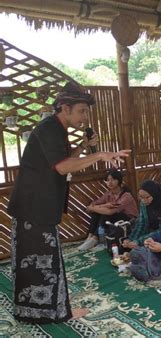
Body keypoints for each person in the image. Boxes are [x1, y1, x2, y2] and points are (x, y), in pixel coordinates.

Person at [7, 82, 130, 323]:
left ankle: (39, 311)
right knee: (42, 263)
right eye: (82, 111)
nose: (85, 117)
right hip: (33, 208)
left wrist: (85, 147)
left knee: (41, 262)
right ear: (65, 108)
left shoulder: (57, 130)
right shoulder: (49, 128)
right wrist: (100, 155)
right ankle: (52, 312)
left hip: (36, 208)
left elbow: (63, 161)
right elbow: (63, 168)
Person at [78, 169, 138, 251]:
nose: (110, 182)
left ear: (119, 181)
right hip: (115, 218)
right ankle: (90, 237)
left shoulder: (126, 196)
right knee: (97, 213)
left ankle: (95, 238)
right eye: (108, 180)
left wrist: (94, 207)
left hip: (129, 221)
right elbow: (91, 207)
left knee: (105, 213)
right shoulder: (108, 194)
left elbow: (110, 212)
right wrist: (104, 205)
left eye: (113, 179)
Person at [122, 180, 161, 249]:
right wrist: (130, 239)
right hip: (148, 234)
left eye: (147, 197)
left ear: (154, 195)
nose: (144, 200)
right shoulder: (143, 204)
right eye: (141, 197)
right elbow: (141, 224)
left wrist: (139, 241)